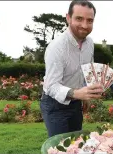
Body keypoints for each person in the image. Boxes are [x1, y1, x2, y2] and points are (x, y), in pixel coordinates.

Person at [40, 0, 103, 137]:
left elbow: (87, 69)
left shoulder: (89, 43)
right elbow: (51, 86)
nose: (85, 25)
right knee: (61, 147)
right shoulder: (56, 47)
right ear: (68, 18)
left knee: (76, 144)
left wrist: (85, 95)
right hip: (54, 105)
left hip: (75, 102)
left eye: (90, 20)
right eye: (79, 19)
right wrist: (77, 94)